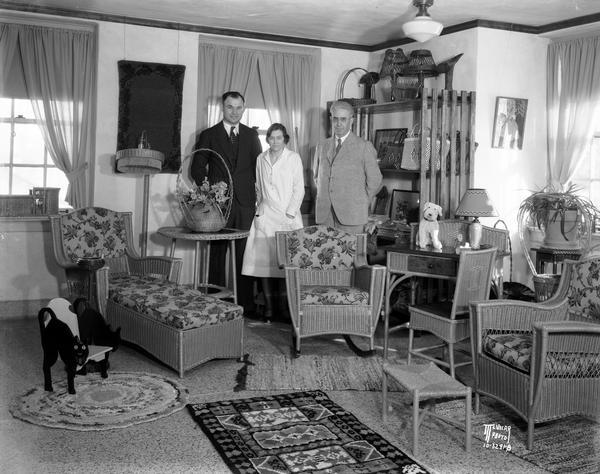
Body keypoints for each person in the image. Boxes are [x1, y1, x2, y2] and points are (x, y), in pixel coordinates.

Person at [191, 91, 263, 317]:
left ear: (244, 108)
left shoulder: (252, 135)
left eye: (238, 107)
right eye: (230, 107)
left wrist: (258, 195)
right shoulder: (209, 134)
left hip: (245, 203)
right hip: (218, 205)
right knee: (217, 253)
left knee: (245, 254)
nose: (234, 112)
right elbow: (197, 167)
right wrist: (208, 193)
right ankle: (214, 302)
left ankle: (245, 304)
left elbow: (258, 168)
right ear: (223, 108)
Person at [242, 123, 304, 322]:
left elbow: (299, 189)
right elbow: (258, 187)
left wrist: (290, 214)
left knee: (286, 263)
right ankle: (269, 308)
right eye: (271, 138)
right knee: (265, 264)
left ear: (285, 139)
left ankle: (285, 309)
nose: (275, 141)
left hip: (288, 217)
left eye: (279, 138)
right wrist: (259, 208)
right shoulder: (261, 159)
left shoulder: (293, 158)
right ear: (267, 139)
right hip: (266, 216)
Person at [312, 100, 382, 234]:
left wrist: (360, 201)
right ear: (331, 119)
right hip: (325, 216)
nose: (339, 124)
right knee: (325, 254)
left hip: (353, 216)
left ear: (352, 120)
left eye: (343, 119)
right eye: (335, 119)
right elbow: (316, 177)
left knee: (351, 254)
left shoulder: (363, 146)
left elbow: (375, 181)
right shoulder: (321, 146)